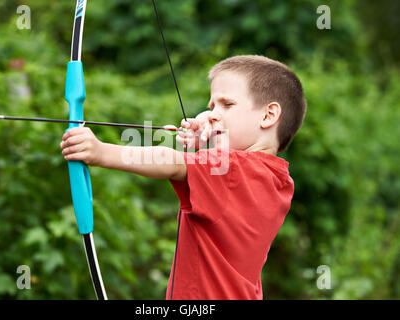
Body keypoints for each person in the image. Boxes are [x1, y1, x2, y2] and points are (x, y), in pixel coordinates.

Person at [60, 55, 307, 299]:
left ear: (268, 115)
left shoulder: (230, 171)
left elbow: (172, 162)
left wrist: (101, 152)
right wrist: (205, 145)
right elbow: (223, 199)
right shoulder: (276, 180)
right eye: (212, 106)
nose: (213, 114)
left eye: (227, 104)